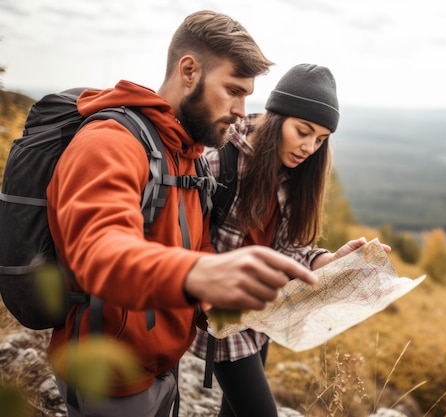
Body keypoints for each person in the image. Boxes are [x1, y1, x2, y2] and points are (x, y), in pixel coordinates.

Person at [45, 11, 318, 417]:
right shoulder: (110, 142)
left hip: (163, 367)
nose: (243, 111)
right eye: (232, 90)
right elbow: (97, 250)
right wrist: (197, 275)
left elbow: (198, 244)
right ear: (189, 71)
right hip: (112, 375)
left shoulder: (185, 155)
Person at [190, 63, 388, 417]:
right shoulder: (219, 161)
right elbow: (184, 242)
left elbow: (286, 250)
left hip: (260, 315)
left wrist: (324, 262)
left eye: (321, 139)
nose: (310, 147)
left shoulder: (292, 173)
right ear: (277, 117)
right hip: (221, 318)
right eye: (303, 131)